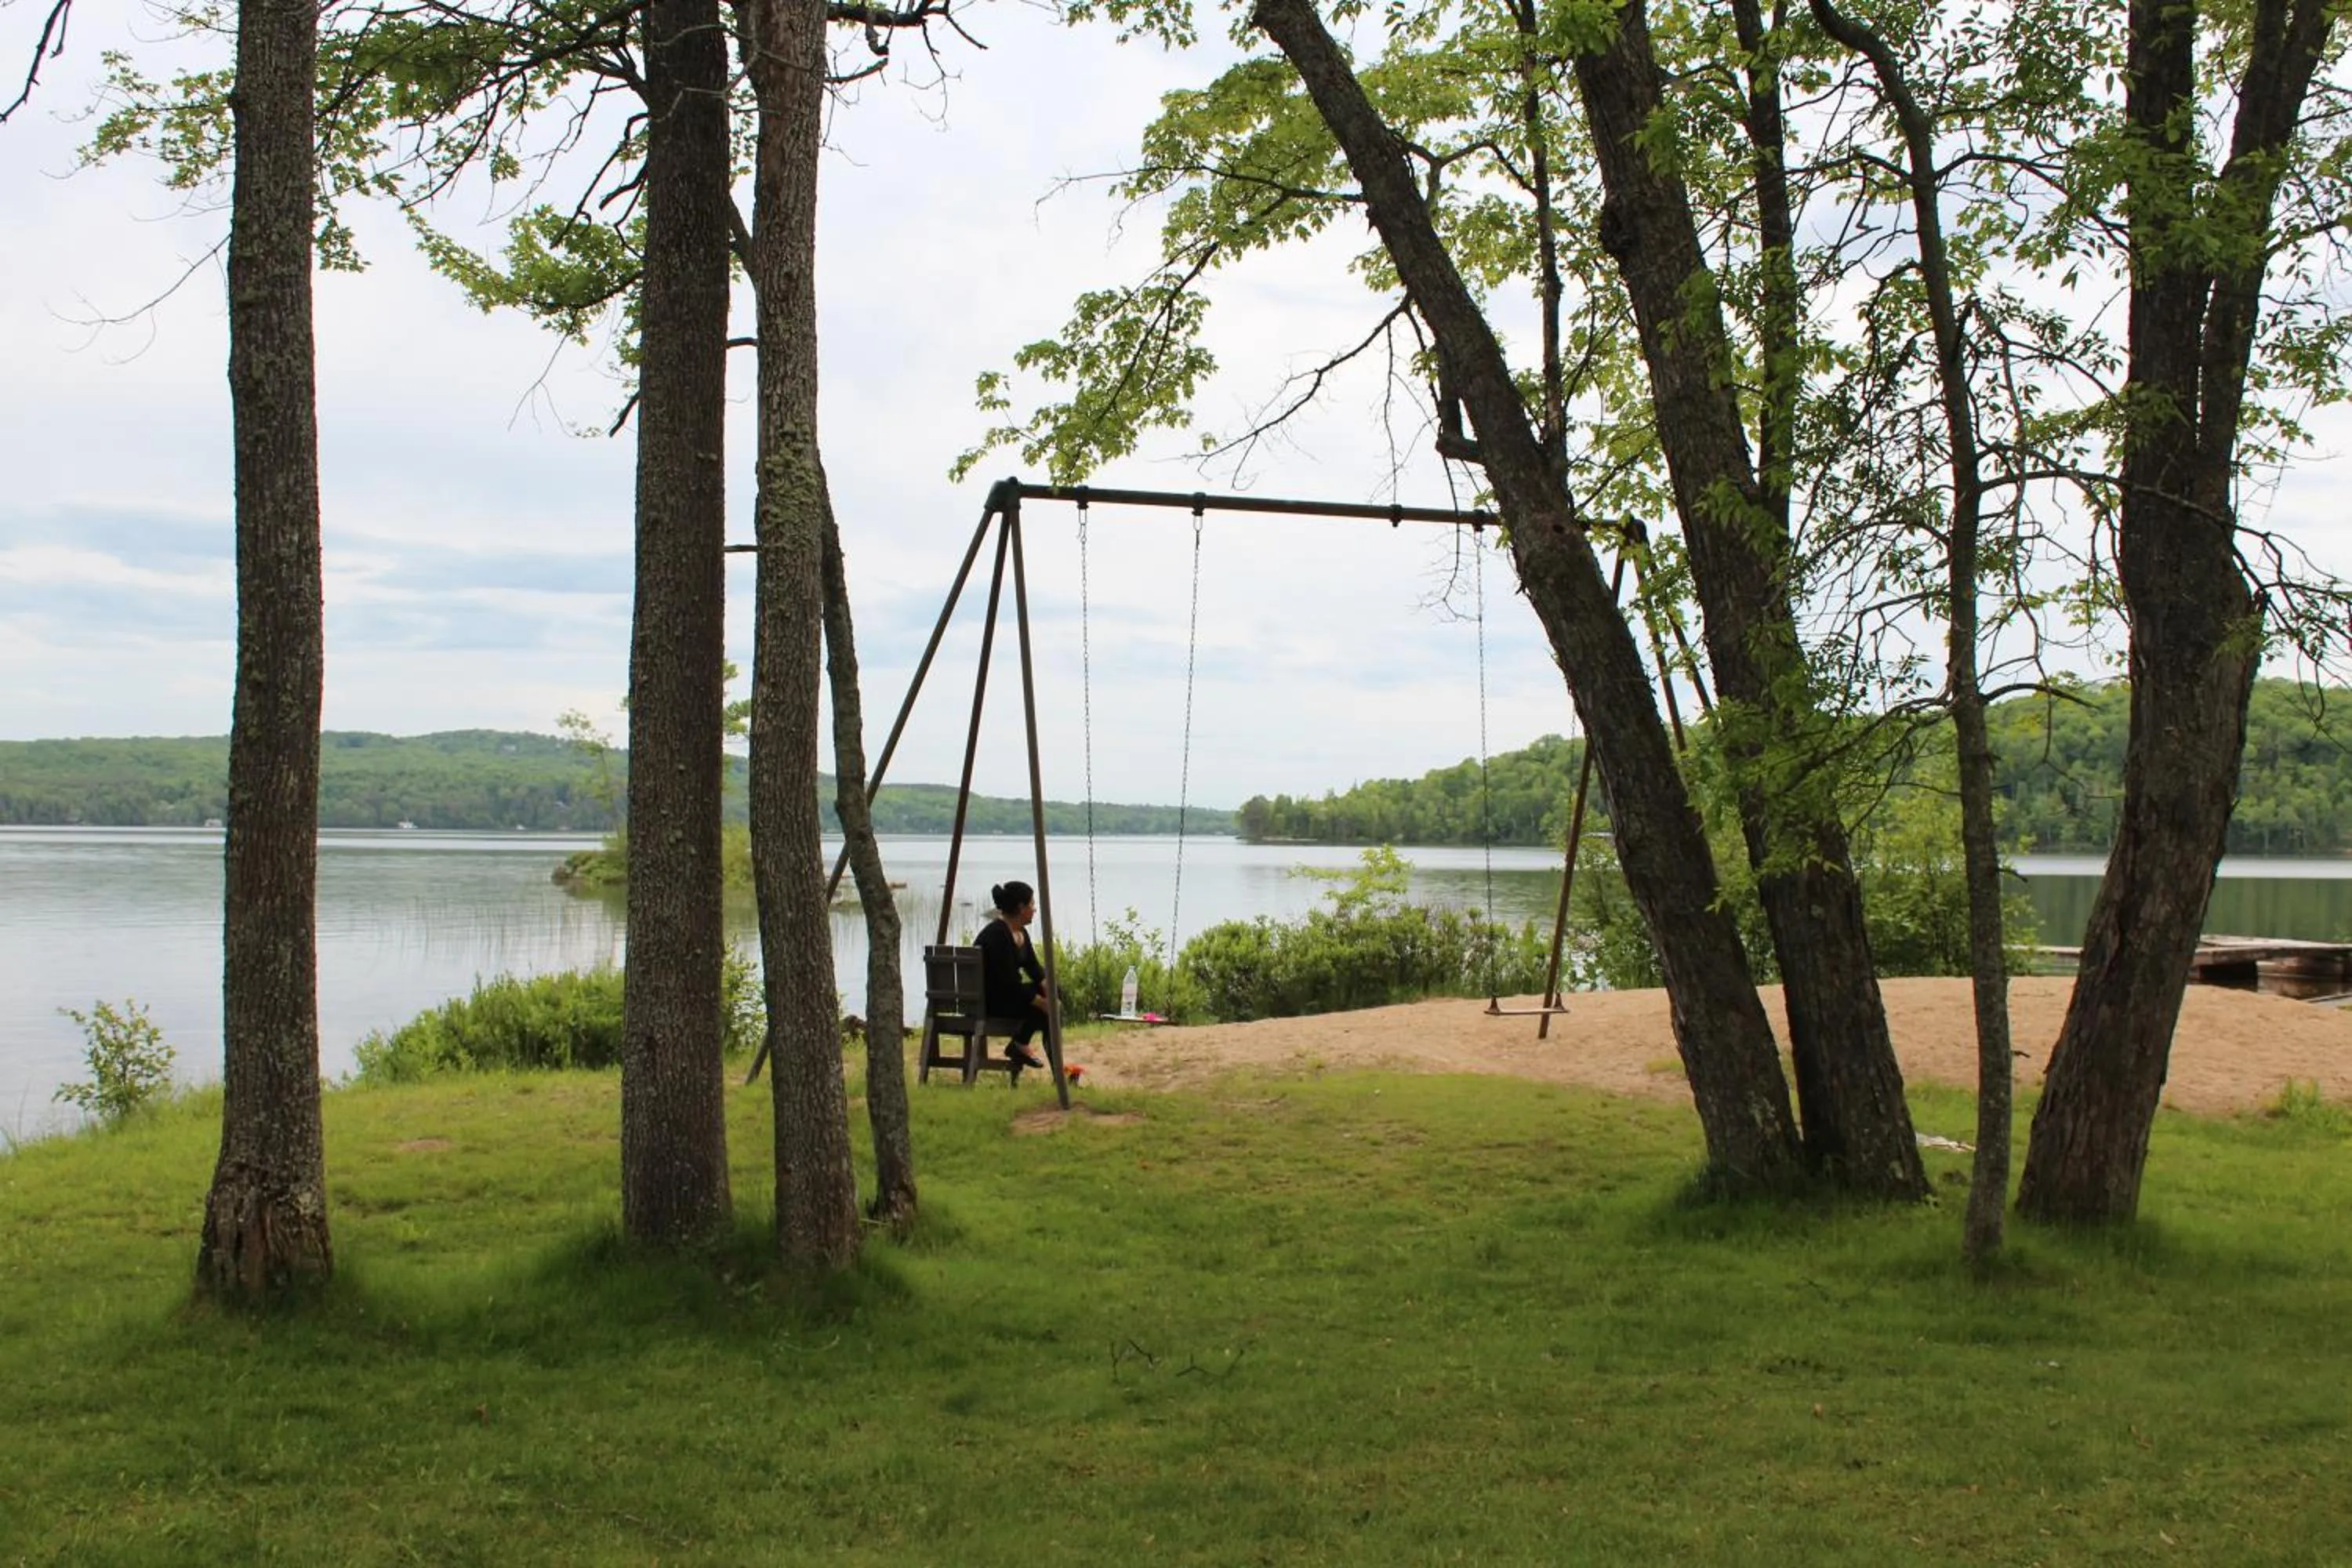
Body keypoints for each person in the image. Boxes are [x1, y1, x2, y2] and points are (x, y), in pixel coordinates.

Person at [975, 880, 1054, 1081]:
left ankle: (1020, 1045)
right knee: (1043, 1010)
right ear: (1021, 907)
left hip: (1010, 996)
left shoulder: (1020, 932)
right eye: (1032, 905)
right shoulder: (997, 935)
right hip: (993, 1001)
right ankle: (1020, 1045)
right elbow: (1008, 984)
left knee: (1052, 997)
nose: (1034, 910)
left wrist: (1050, 993)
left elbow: (1034, 969)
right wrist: (1042, 1003)